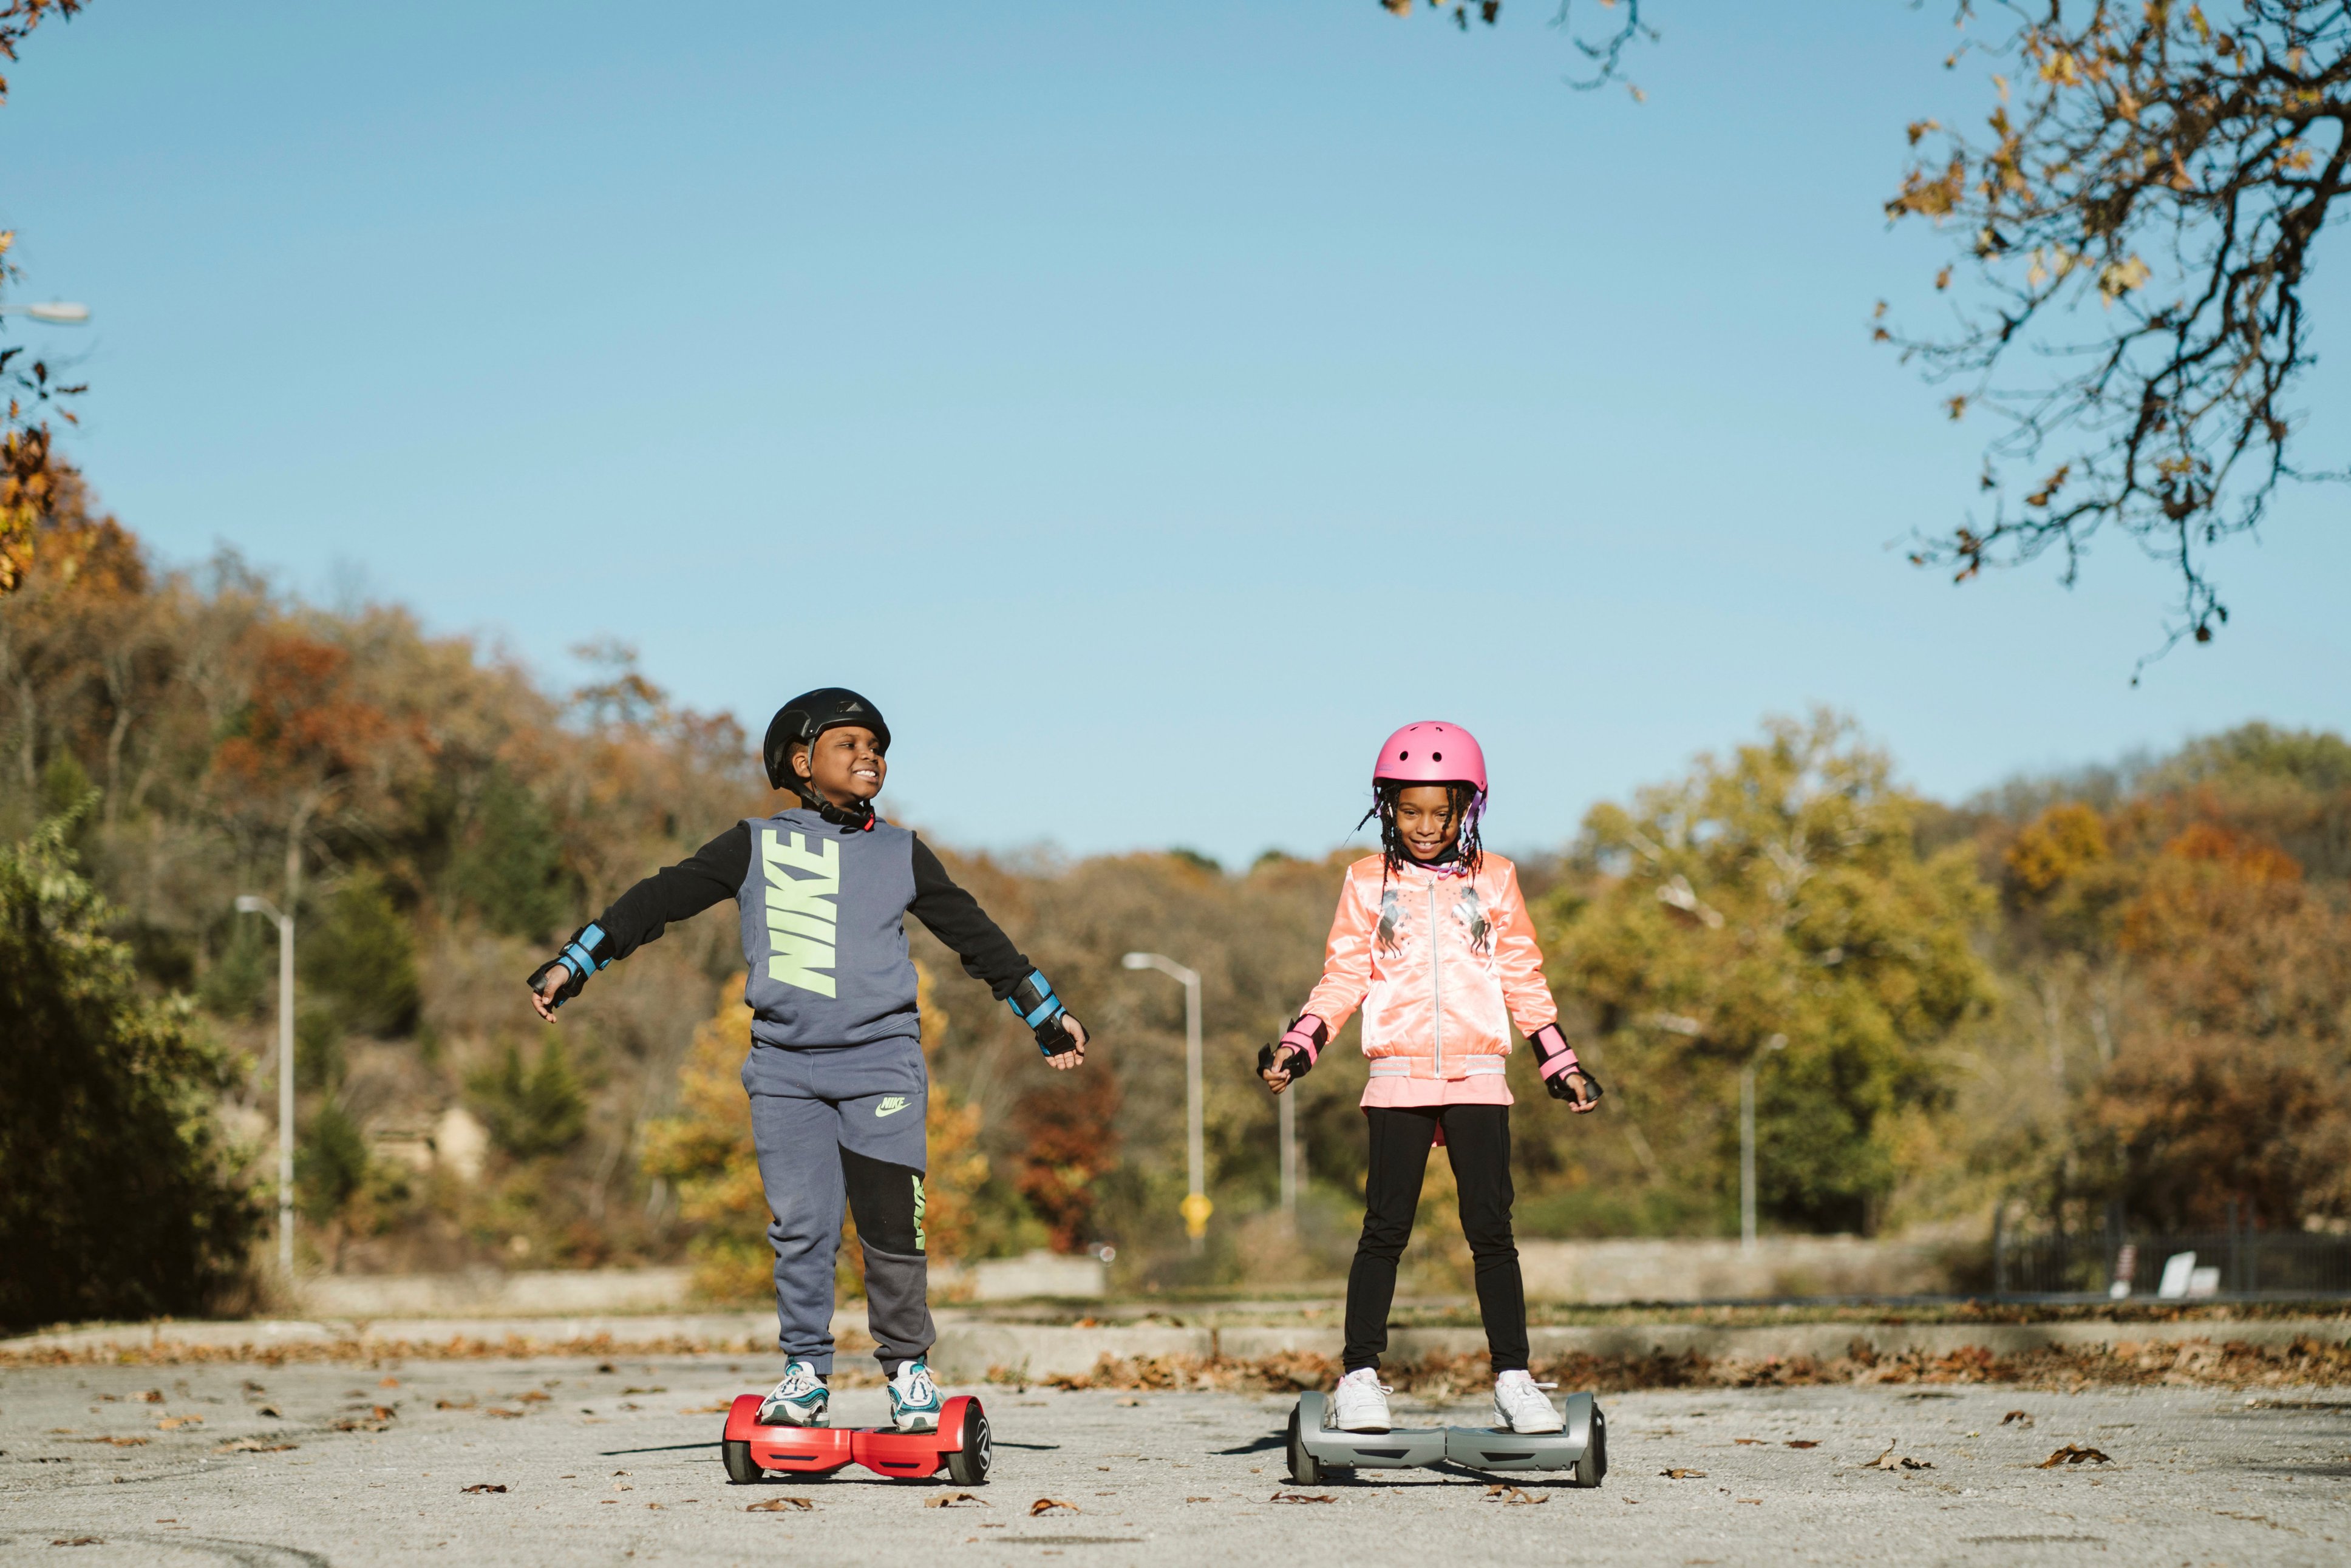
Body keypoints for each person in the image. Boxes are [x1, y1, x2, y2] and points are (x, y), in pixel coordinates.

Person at [527, 687, 1090, 1433]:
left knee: (893, 1227)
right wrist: (577, 961)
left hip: (881, 1066)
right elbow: (658, 899)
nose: (870, 756)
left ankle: (909, 1372)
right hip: (785, 1072)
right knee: (801, 1228)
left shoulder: (899, 852)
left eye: (876, 746)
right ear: (800, 761)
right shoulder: (754, 845)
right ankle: (804, 1375)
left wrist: (1045, 1014)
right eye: (848, 745)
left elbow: (975, 936)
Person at [1258, 721, 1601, 1436]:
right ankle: (1359, 1377)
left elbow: (1522, 977)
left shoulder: (1495, 878)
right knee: (1384, 1229)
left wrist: (1558, 1062)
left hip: (1479, 1073)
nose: (1423, 826)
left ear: (1465, 809)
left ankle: (1513, 1379)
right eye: (1408, 811)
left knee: (1491, 1233)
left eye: (1438, 813)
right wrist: (1299, 1046)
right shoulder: (1365, 882)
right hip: (1397, 1075)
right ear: (1387, 807)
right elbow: (1343, 977)